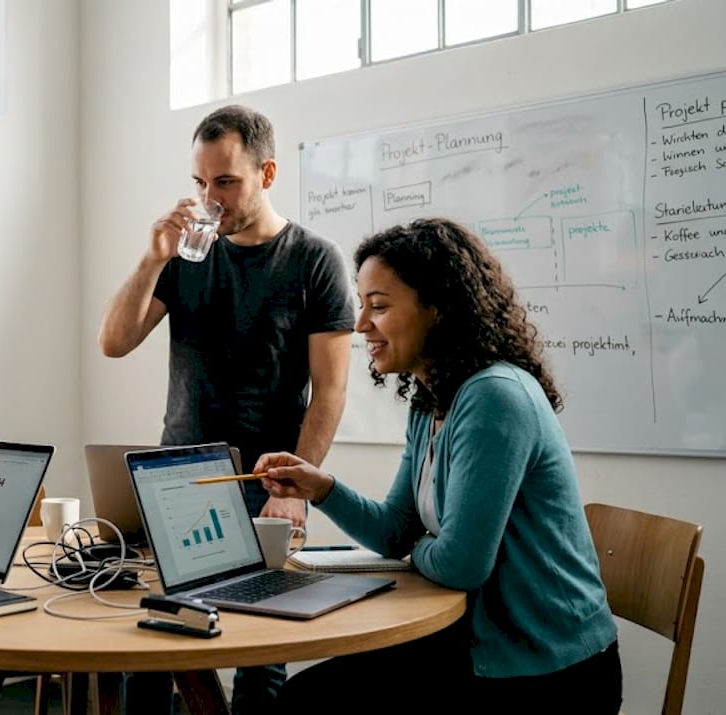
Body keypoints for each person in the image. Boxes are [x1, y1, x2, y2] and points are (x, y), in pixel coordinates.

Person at [256, 217, 621, 714]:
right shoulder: (431, 402)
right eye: (361, 305)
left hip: (548, 671)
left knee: (309, 701)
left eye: (378, 307)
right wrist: (322, 488)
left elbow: (463, 566)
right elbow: (396, 530)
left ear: (438, 308)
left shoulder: (495, 397)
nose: (361, 325)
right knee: (308, 696)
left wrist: (421, 548)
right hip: (484, 647)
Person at [98, 104, 353, 713]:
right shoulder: (186, 255)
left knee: (260, 661)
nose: (210, 198)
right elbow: (113, 342)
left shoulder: (315, 261)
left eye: (226, 182)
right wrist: (152, 256)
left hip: (264, 484)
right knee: (154, 654)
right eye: (200, 183)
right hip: (177, 479)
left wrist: (294, 486)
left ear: (266, 174)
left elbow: (332, 389)